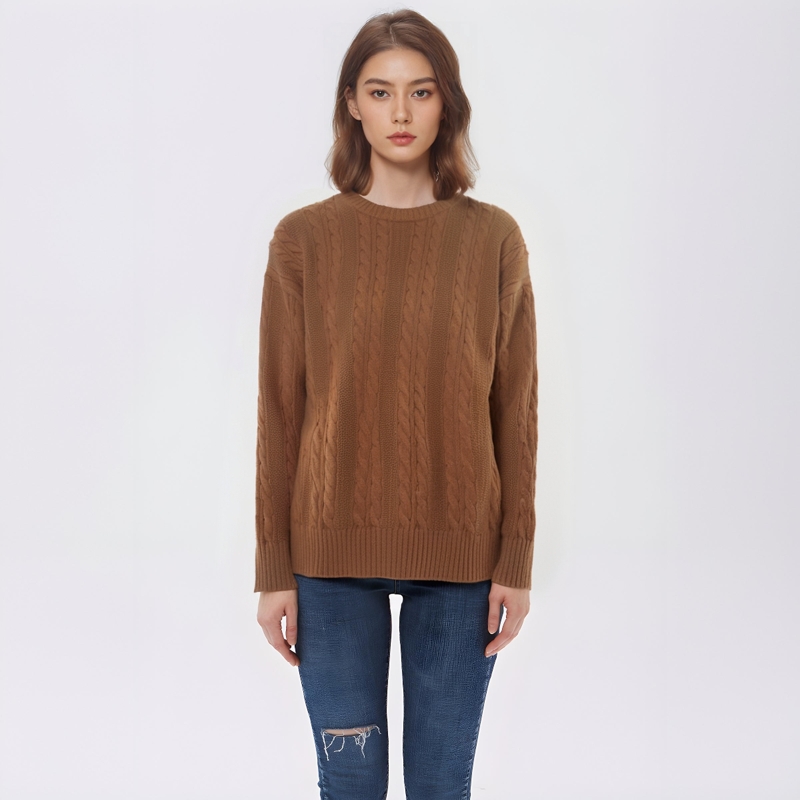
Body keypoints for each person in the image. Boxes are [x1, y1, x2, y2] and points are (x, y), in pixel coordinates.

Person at [254, 9, 538, 799]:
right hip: (328, 562)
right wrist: (273, 569)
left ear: (448, 103)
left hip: (462, 560)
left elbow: (515, 410)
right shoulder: (302, 241)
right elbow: (280, 411)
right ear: (352, 104)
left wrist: (515, 560)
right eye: (380, 92)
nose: (402, 112)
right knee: (351, 788)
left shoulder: (494, 240)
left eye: (422, 91)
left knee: (441, 787)